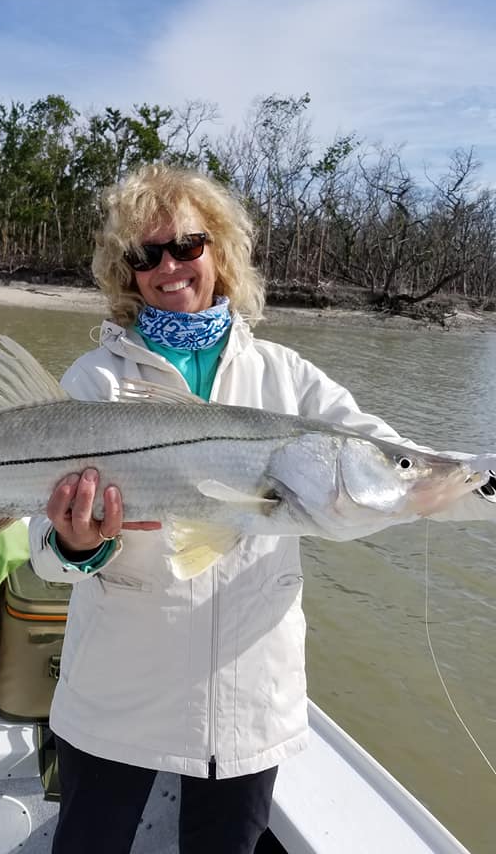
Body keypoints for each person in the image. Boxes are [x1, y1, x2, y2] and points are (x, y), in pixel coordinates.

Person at [28, 164, 494, 854]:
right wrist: (75, 545)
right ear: (126, 272)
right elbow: (43, 550)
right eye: (145, 254)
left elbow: (399, 462)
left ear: (218, 251)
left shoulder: (287, 377)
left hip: (247, 700)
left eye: (186, 245)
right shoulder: (96, 381)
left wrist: (480, 478)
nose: (169, 266)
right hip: (115, 694)